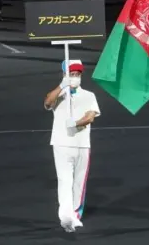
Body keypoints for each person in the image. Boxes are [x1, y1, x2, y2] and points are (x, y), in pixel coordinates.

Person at [43, 60, 100, 233]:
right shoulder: (58, 94)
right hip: (61, 143)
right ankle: (66, 216)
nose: (75, 77)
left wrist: (75, 124)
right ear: (64, 74)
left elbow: (90, 117)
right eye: (71, 74)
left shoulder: (89, 95)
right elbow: (47, 102)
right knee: (64, 180)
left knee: (79, 182)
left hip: (82, 144)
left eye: (77, 74)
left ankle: (75, 214)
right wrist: (62, 86)